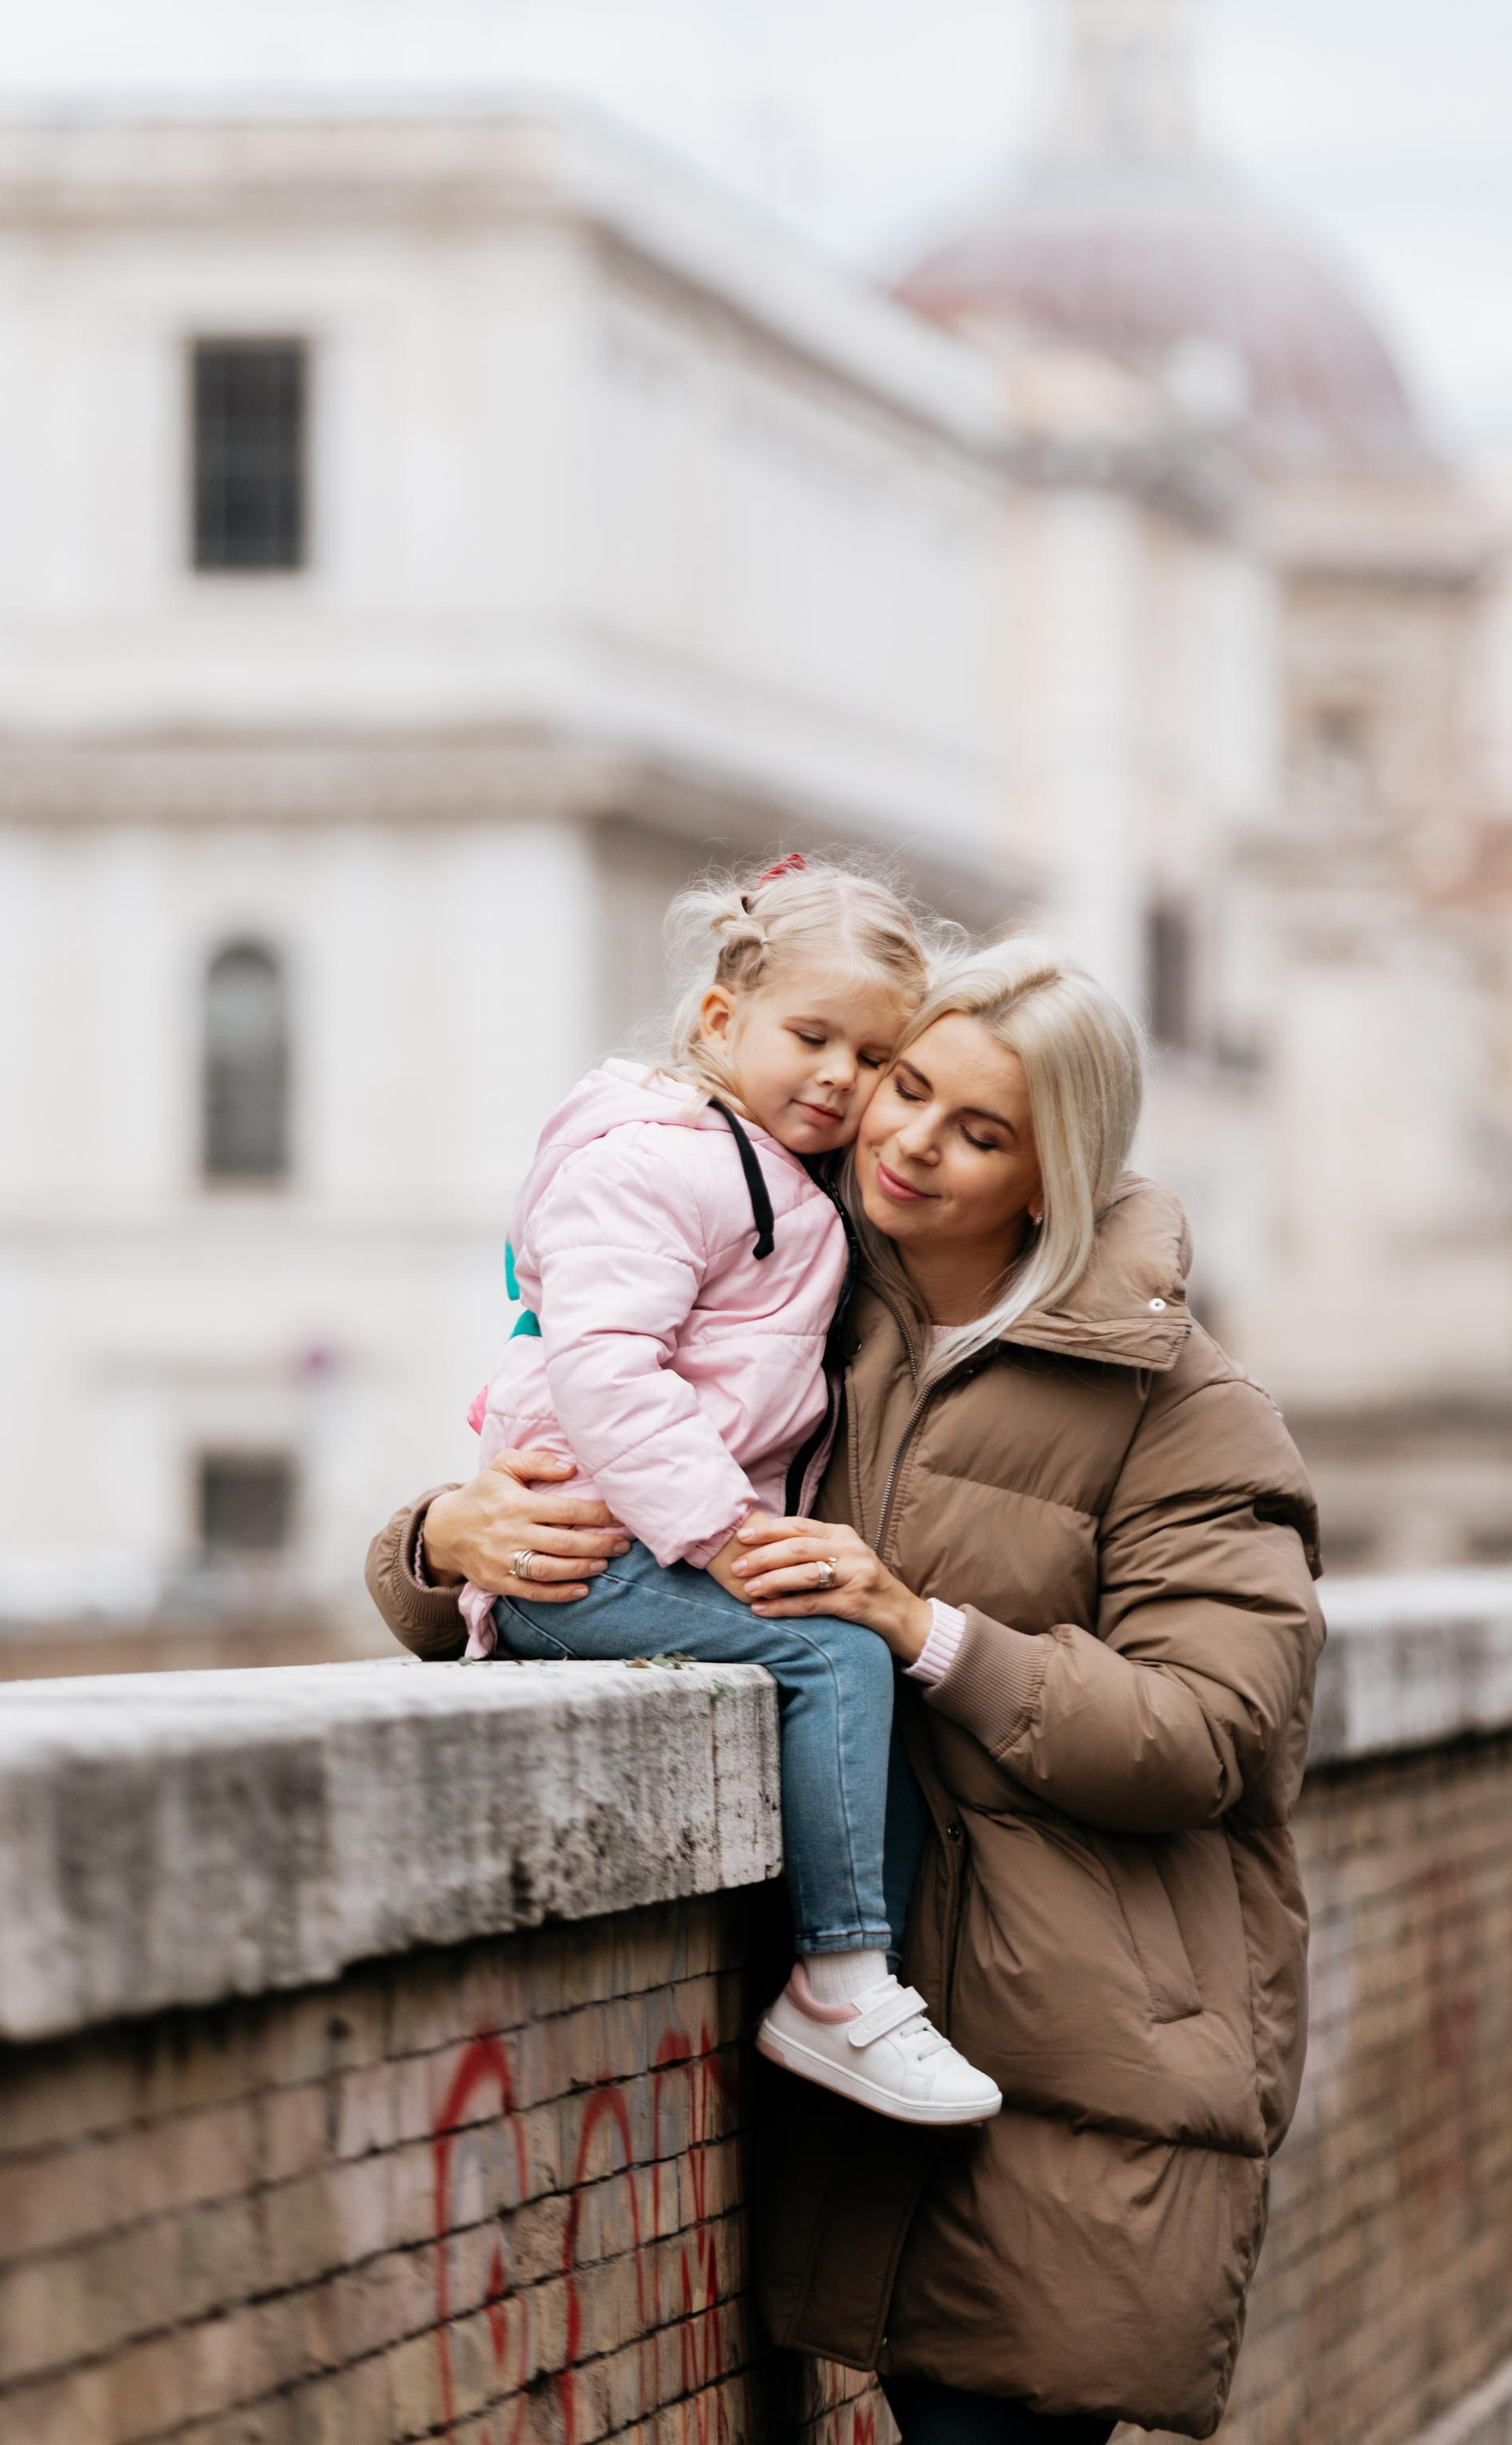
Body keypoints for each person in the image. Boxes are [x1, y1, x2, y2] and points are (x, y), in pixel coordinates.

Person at [369, 936, 1325, 2445]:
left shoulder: (1188, 1413)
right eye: (905, 1085)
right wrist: (438, 1538)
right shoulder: (797, 1302)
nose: (909, 1138)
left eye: (980, 1130)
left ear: (1052, 1175)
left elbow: (1211, 1735)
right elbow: (613, 1546)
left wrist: (925, 1630)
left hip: (1066, 2067)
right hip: (860, 2056)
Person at [451, 851, 999, 2128]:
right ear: (718, 1018)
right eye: (813, 1037)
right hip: (592, 1560)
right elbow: (605, 1369)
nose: (841, 1080)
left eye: (873, 1058)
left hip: (645, 1548)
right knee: (835, 1659)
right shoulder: (657, 1160)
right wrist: (728, 1534)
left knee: (874, 1719)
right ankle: (840, 1989)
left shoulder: (778, 1174)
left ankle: (869, 1972)